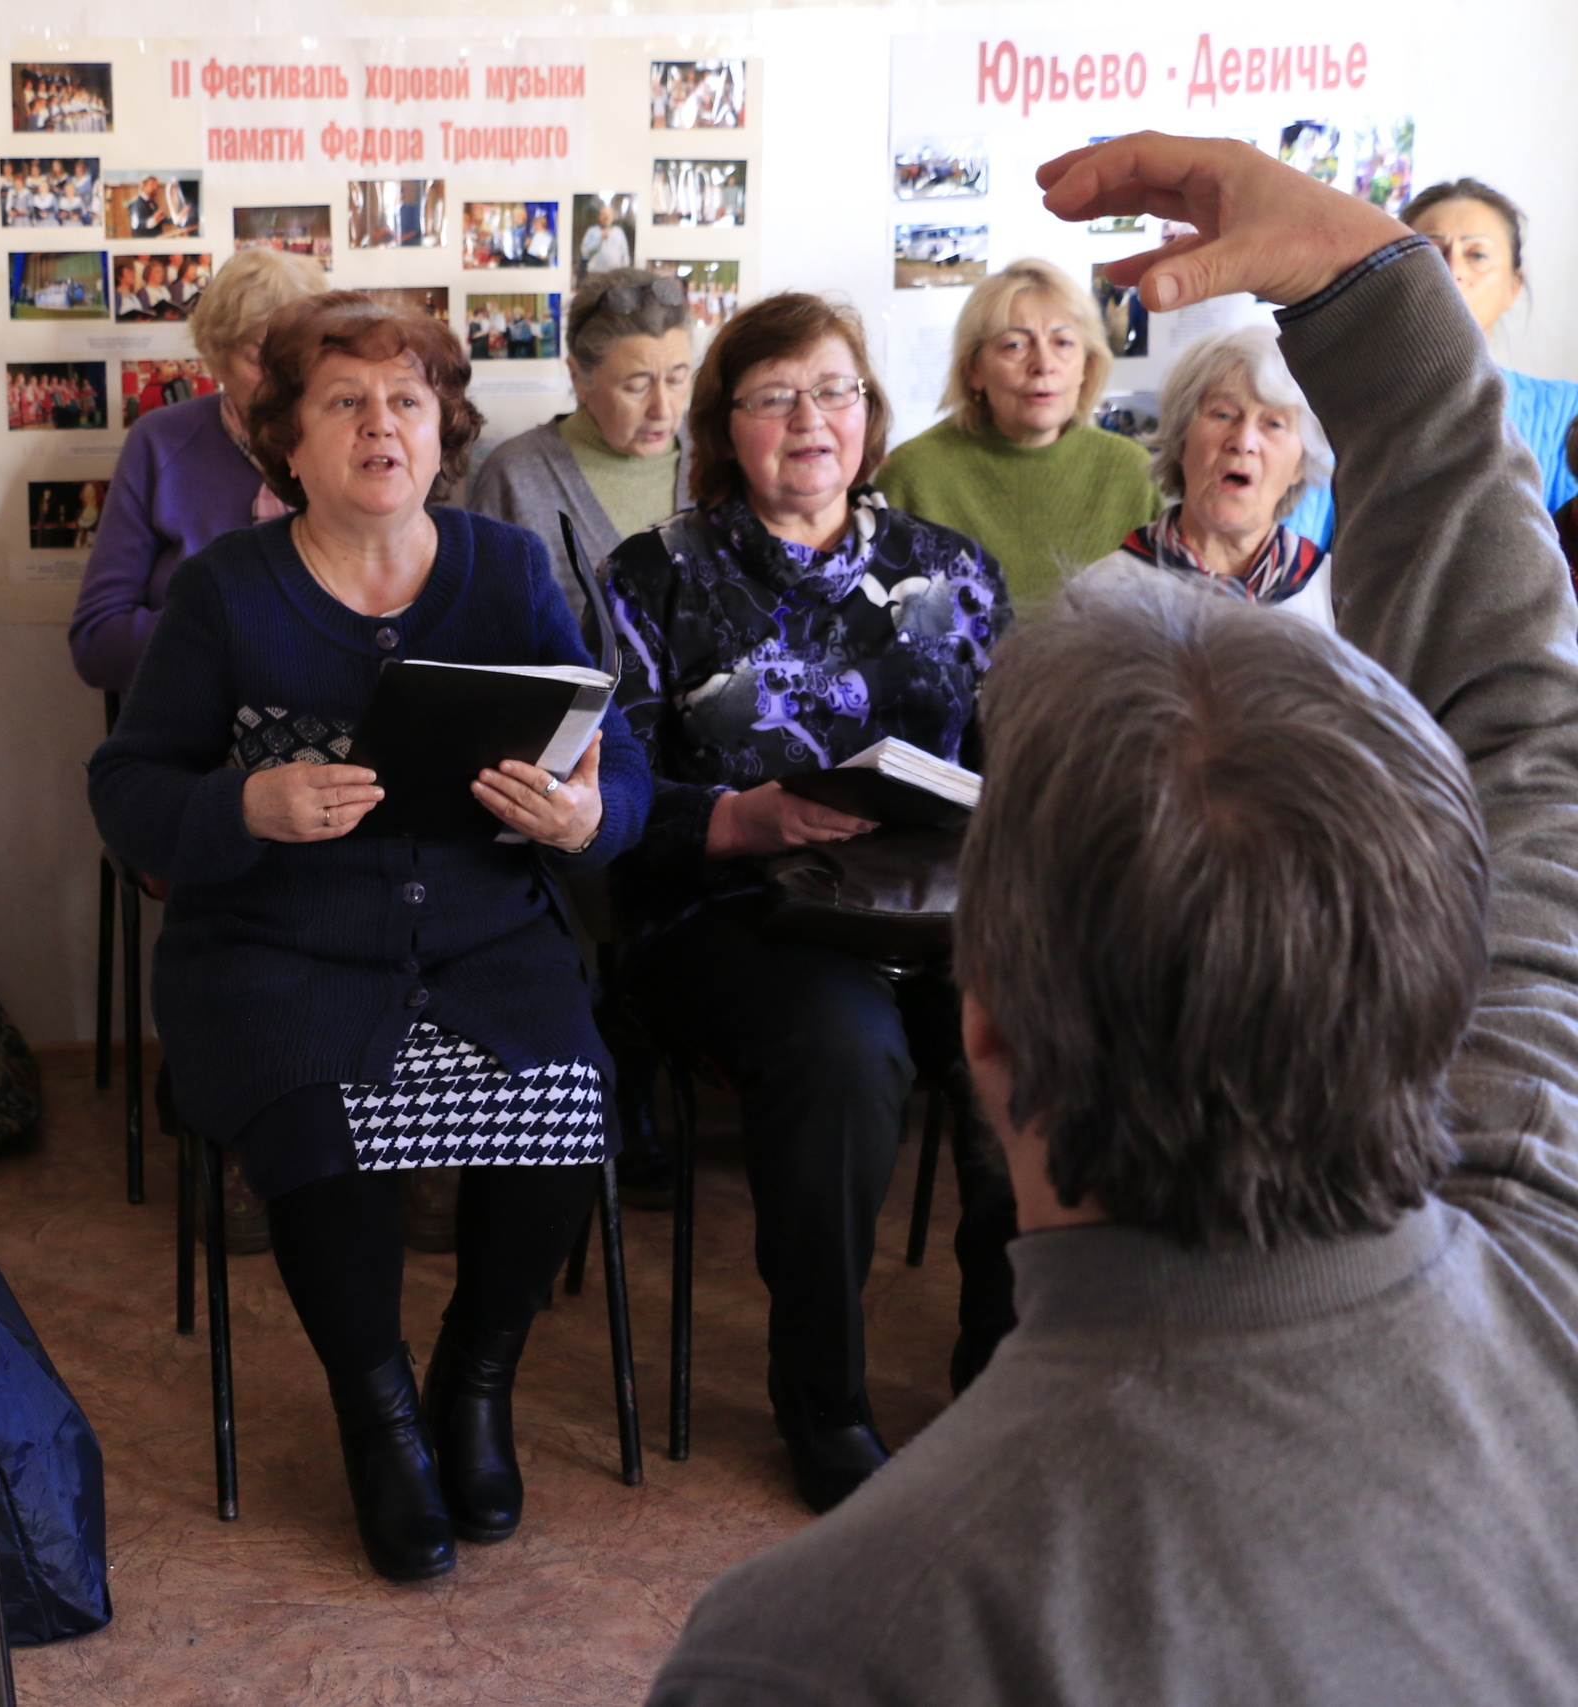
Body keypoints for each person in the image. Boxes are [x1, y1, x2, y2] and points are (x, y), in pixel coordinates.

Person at [648, 132, 1578, 1706]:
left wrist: (1372, 293)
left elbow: (1525, 750)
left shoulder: (829, 1640)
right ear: (1439, 975)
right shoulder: (1548, 1273)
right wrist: (1378, 291)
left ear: (986, 1014)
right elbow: (1531, 744)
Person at [88, 294, 653, 1584]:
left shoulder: (504, 573)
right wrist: (240, 804)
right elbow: (125, 789)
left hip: (480, 940)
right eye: (343, 403)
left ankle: (473, 1381)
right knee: (318, 1115)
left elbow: (612, 761)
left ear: (440, 428)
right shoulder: (229, 591)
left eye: (404, 401)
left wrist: (579, 819)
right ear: (285, 440)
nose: (379, 425)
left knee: (568, 1098)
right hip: (272, 946)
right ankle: (379, 1412)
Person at [604, 291, 1016, 1513]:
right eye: (773, 397)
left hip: (936, 907)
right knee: (844, 1055)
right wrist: (739, 818)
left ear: (870, 414)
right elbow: (608, 799)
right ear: (724, 427)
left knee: (1046, 1047)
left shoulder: (950, 573)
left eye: (833, 391)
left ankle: (1003, 1386)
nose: (809, 420)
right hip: (737, 910)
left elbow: (1014, 762)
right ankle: (823, 1403)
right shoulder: (654, 576)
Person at [68, 247, 326, 693]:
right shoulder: (161, 442)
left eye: (297, 356)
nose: (281, 379)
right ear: (218, 356)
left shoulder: (345, 441)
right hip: (194, 729)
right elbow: (97, 644)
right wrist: (238, 624)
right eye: (257, 355)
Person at [1283, 178, 1578, 562]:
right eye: (1428, 253)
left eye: (1477, 255)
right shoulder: (1328, 409)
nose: (1450, 270)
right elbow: (1287, 569)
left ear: (1512, 286)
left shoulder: (1566, 411)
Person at [874, 257, 1162, 615]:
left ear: (1087, 366)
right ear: (974, 369)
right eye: (1015, 345)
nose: (1043, 363)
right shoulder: (913, 473)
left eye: (1063, 342)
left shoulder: (1132, 470)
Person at [463, 269, 696, 621]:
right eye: (636, 386)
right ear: (579, 379)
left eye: (678, 380)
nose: (662, 409)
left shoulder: (717, 450)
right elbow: (490, 635)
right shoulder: (515, 476)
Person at [1082, 325, 1335, 629]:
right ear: (1181, 438)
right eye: (1223, 414)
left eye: (1274, 424)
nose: (1243, 441)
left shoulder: (1333, 593)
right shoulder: (1101, 592)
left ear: (1300, 464)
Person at [581, 201, 631, 274]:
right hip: (596, 273)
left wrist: (625, 272)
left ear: (613, 217)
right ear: (599, 217)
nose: (606, 217)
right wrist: (600, 239)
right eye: (604, 214)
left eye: (609, 215)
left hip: (615, 274)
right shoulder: (592, 231)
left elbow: (625, 254)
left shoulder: (619, 232)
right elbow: (585, 252)